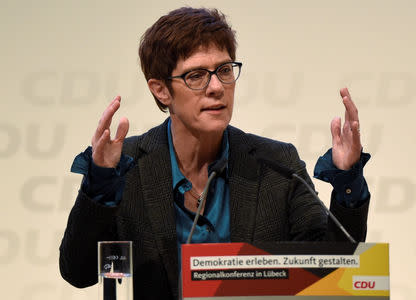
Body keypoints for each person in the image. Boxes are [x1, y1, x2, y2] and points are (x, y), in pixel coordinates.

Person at [59, 7, 370, 300]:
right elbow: (79, 272)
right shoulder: (125, 167)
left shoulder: (277, 164)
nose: (217, 87)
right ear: (161, 90)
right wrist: (99, 186)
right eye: (196, 76)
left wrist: (347, 181)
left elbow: (333, 271)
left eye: (224, 70)